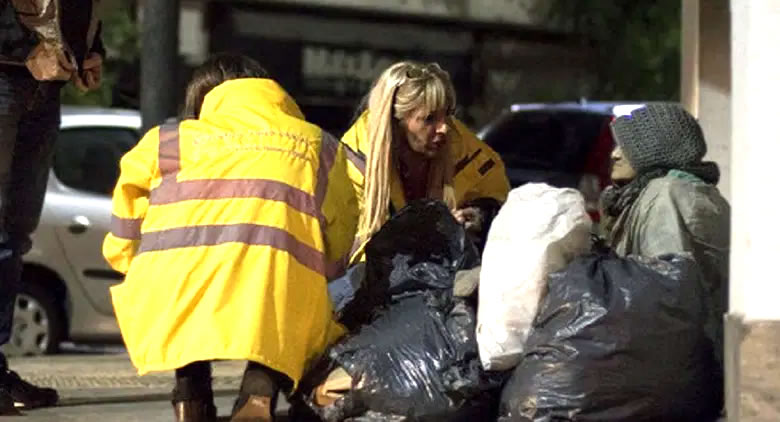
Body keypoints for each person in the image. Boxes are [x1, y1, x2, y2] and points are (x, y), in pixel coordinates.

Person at [103, 54, 359, 422]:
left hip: (175, 286)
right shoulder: (319, 145)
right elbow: (343, 224)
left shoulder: (165, 141)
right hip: (272, 286)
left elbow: (126, 212)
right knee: (283, 290)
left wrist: (129, 262)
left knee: (186, 290)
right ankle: (257, 395)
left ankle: (190, 396)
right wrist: (328, 274)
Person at [0, 0, 103, 414]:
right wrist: (25, 49)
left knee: (17, 231)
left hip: (48, 83)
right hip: (6, 73)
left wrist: (89, 47)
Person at [341, 61, 510, 261]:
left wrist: (479, 214)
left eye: (447, 115)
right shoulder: (354, 161)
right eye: (429, 119)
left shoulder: (466, 149)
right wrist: (429, 236)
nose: (444, 128)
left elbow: (500, 202)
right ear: (396, 122)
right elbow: (355, 251)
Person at [600, 102, 730, 359]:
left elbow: (665, 293)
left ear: (655, 149)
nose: (614, 154)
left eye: (626, 146)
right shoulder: (656, 191)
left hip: (677, 359)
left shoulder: (669, 196)